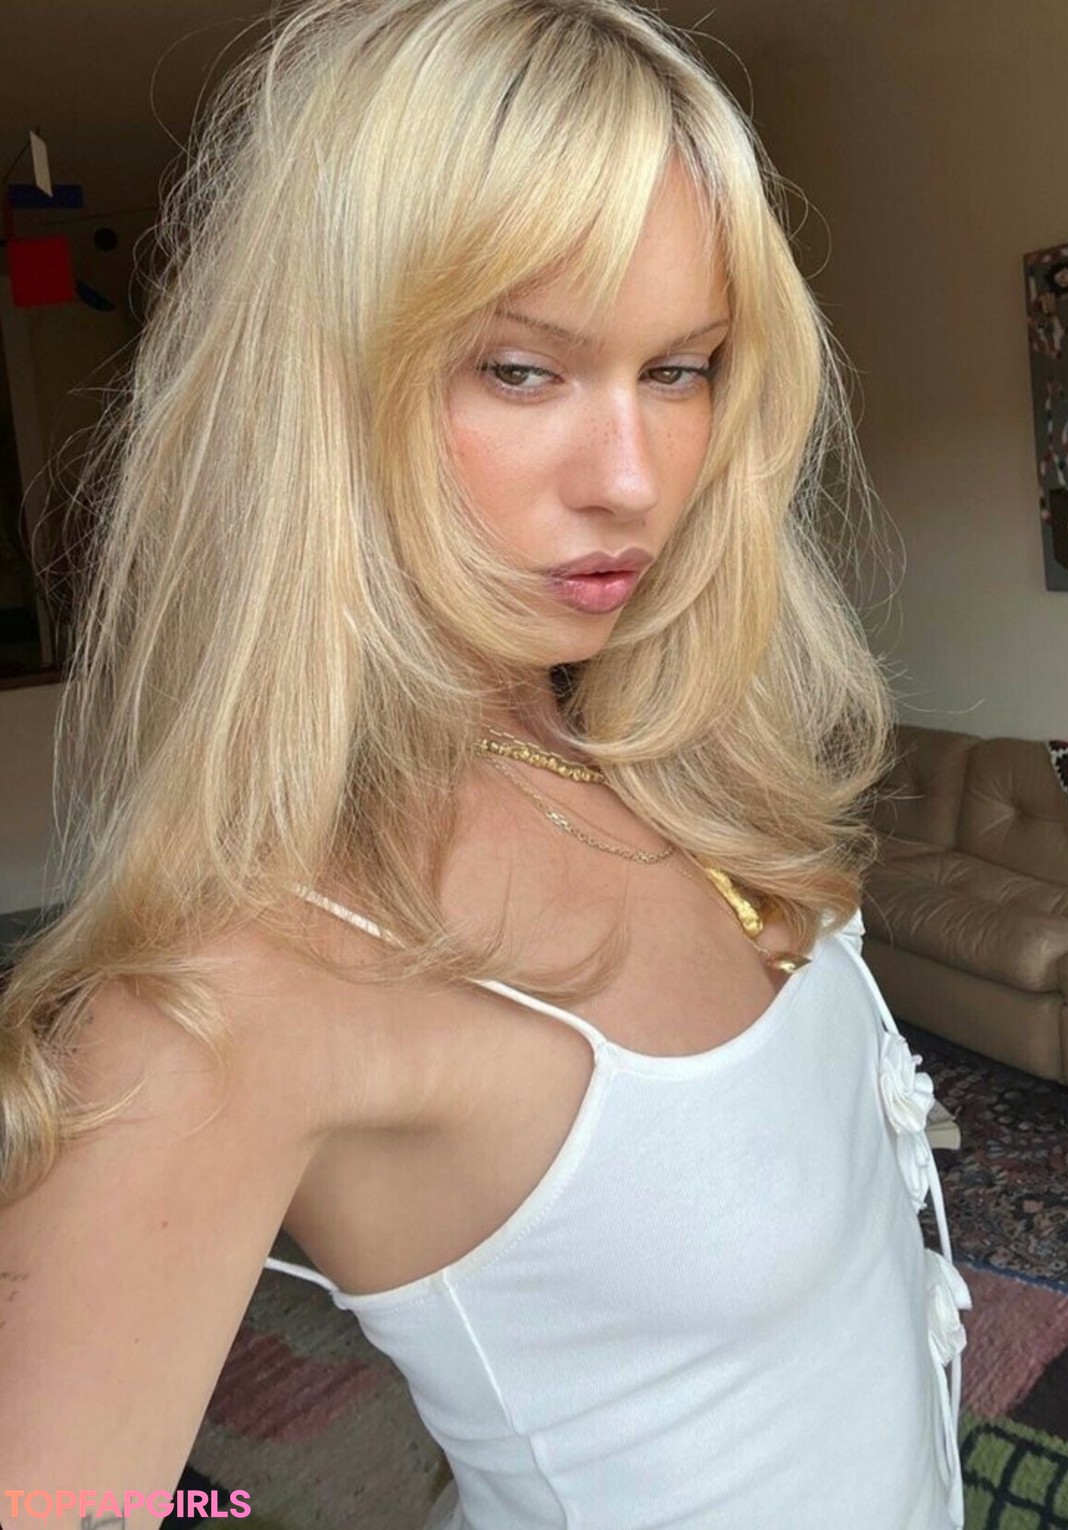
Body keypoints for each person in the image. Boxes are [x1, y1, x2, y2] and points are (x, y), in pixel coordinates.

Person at [0, 0, 971, 1525]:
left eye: (683, 368)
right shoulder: (246, 985)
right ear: (322, 392)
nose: (633, 479)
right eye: (521, 370)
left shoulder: (658, 756)